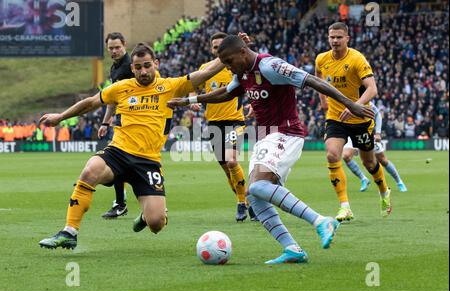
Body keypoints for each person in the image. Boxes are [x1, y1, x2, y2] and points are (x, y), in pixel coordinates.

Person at [167, 35, 374, 264]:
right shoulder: (242, 72)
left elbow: (313, 81)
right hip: (266, 137)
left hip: (286, 132)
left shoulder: (270, 66)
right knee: (254, 195)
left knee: (258, 186)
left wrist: (351, 103)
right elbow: (227, 92)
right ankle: (292, 249)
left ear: (243, 52)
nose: (227, 66)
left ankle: (320, 221)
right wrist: (188, 101)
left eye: (228, 60)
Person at [38, 43, 225, 250]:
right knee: (90, 170)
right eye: (138, 67)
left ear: (156, 64)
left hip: (148, 162)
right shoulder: (122, 87)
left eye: (147, 66)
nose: (143, 71)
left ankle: (148, 215)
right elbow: (91, 103)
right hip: (118, 152)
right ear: (132, 68)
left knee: (156, 224)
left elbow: (205, 73)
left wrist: (228, 53)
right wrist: (61, 117)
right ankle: (69, 232)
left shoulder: (171, 86)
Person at [315, 22, 392, 222]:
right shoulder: (322, 59)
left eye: (339, 37)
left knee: (369, 162)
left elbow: (372, 89)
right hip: (335, 117)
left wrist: (353, 106)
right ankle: (345, 206)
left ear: (347, 38)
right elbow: (318, 77)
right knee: (332, 155)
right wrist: (323, 100)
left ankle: (384, 192)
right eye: (332, 37)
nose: (335, 41)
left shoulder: (357, 59)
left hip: (361, 119)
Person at [190, 32, 254, 222]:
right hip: (214, 124)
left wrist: (254, 104)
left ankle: (243, 204)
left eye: (221, 46)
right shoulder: (205, 68)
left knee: (232, 161)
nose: (217, 49)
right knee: (227, 169)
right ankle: (244, 202)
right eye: (215, 47)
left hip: (235, 121)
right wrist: (194, 99)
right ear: (211, 49)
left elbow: (254, 78)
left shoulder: (236, 65)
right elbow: (193, 85)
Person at [97, 32, 135, 220]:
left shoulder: (131, 66)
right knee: (119, 163)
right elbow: (112, 100)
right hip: (122, 120)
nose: (114, 51)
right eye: (110, 48)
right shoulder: (115, 69)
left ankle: (156, 202)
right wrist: (105, 122)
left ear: (124, 45)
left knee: (144, 161)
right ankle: (120, 203)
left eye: (117, 47)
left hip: (137, 121)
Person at [342, 102, 408, 192]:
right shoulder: (342, 99)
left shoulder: (364, 100)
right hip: (351, 134)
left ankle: (399, 181)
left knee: (382, 160)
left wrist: (377, 133)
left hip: (366, 133)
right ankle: (363, 179)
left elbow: (377, 115)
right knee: (346, 156)